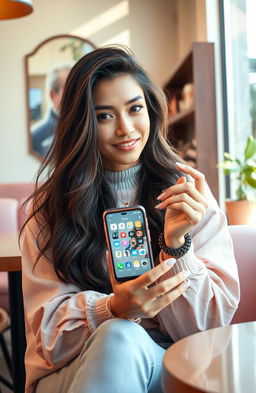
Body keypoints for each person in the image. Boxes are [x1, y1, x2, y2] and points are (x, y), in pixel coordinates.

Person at [21, 46, 240, 393]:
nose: (125, 128)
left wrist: (176, 246)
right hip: (73, 370)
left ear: (151, 110)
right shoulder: (50, 210)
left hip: (169, 362)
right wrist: (111, 309)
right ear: (81, 124)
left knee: (122, 335)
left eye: (135, 109)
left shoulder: (187, 193)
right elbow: (46, 340)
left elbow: (208, 329)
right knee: (118, 333)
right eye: (104, 116)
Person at [31, 64, 71, 157]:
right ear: (53, 95)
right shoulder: (34, 138)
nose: (77, 93)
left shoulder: (94, 129)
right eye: (69, 88)